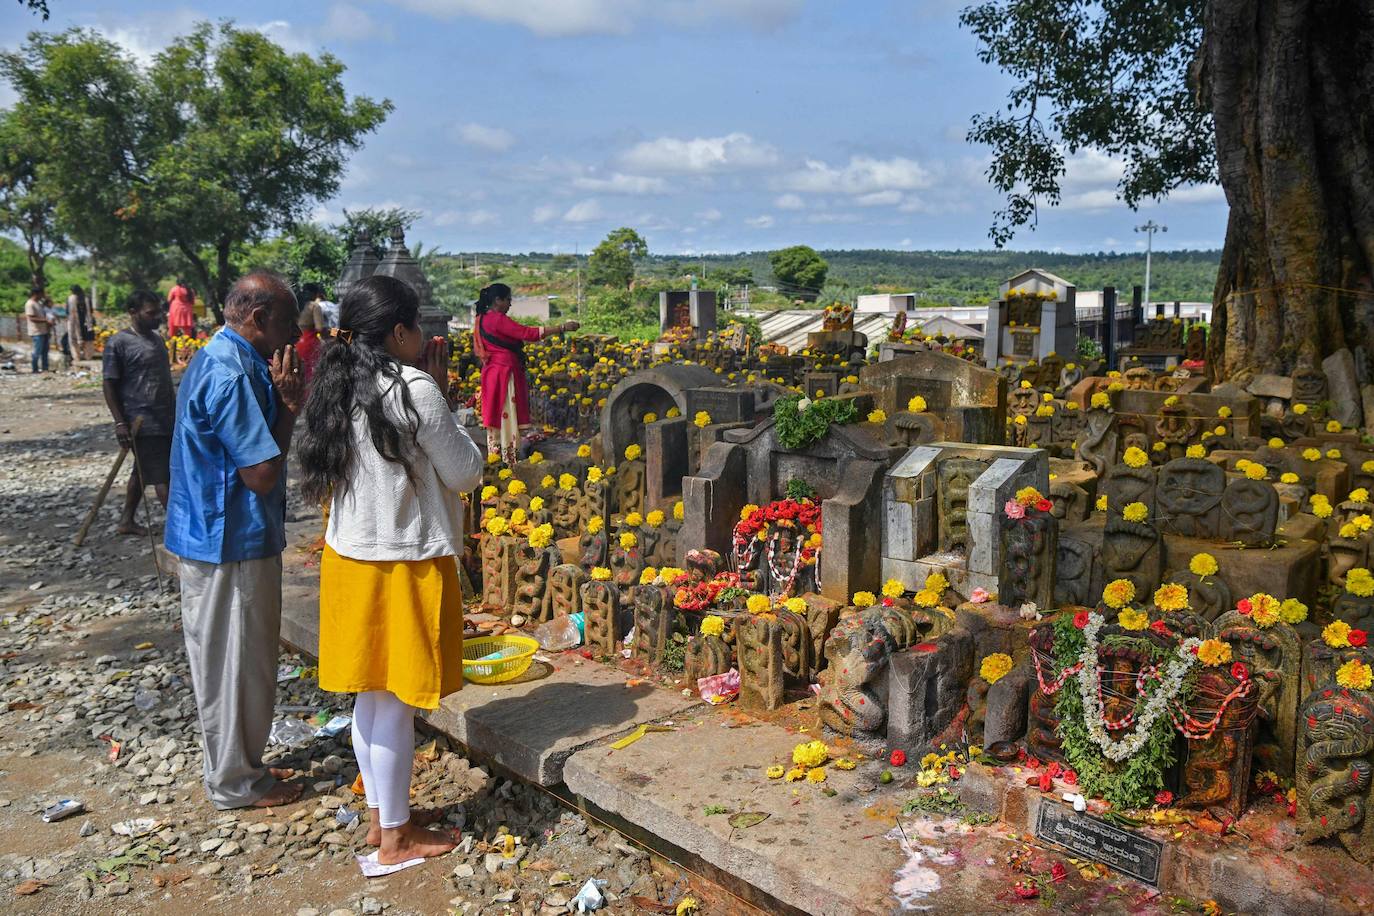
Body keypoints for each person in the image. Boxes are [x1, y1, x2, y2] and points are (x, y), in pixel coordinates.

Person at [298, 274, 482, 863]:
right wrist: (446, 401)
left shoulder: (334, 382)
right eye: (419, 324)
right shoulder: (415, 389)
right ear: (400, 331)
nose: (426, 334)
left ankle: (384, 819)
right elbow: (464, 474)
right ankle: (397, 841)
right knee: (398, 703)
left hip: (349, 557)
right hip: (405, 561)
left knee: (371, 699)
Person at [165, 270, 304, 810]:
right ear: (259, 318)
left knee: (233, 660)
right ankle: (236, 784)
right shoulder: (232, 373)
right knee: (234, 665)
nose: (294, 335)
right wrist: (289, 410)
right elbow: (262, 474)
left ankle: (240, 768)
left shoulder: (224, 356)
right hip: (228, 540)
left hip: (216, 532)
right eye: (288, 322)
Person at [472, 283, 578, 463]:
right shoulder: (497, 319)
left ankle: (496, 459)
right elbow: (527, 333)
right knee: (507, 419)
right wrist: (562, 328)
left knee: (497, 421)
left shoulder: (481, 319)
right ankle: (509, 461)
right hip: (504, 376)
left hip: (492, 375)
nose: (510, 305)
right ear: (498, 301)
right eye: (508, 300)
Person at [102, 290, 176, 535]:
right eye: (151, 313)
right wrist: (120, 423)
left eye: (159, 311)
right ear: (133, 313)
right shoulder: (118, 343)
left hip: (165, 417)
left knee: (142, 471)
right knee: (163, 476)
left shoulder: (156, 340)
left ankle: (126, 521)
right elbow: (109, 384)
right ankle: (181, 528)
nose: (158, 317)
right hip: (141, 421)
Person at [294, 284, 328, 383]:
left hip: (295, 341)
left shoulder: (294, 305)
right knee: (310, 373)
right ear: (316, 294)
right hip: (309, 342)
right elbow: (319, 327)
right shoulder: (314, 306)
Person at [24, 286, 51, 373]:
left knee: (45, 351)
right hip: (36, 332)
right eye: (42, 293)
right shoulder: (30, 304)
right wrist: (45, 320)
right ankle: (35, 369)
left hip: (43, 331)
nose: (43, 295)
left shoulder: (38, 303)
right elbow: (31, 318)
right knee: (37, 352)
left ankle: (45, 368)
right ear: (37, 294)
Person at [68, 285, 94, 361]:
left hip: (76, 322)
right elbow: (91, 311)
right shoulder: (87, 298)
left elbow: (67, 311)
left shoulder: (70, 299)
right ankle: (88, 356)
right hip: (86, 322)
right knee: (88, 340)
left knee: (75, 340)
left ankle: (76, 357)